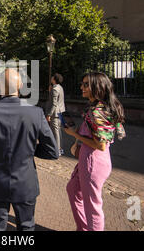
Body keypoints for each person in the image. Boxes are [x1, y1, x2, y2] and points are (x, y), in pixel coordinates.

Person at [0, 68, 59, 231]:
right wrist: (29, 150)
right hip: (25, 181)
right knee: (26, 227)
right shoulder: (35, 113)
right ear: (21, 85)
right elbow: (52, 151)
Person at [64, 72, 126, 231]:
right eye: (82, 83)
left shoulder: (98, 111)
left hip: (93, 162)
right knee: (72, 189)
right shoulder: (96, 107)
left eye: (86, 84)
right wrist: (79, 130)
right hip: (88, 159)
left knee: (92, 207)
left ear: (96, 87)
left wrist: (74, 135)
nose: (81, 87)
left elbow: (101, 145)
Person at [45, 73, 66, 156]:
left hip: (55, 113)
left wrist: (49, 114)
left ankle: (57, 150)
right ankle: (59, 149)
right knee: (58, 131)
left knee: (55, 132)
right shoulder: (59, 87)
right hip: (60, 112)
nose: (51, 78)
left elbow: (53, 103)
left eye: (52, 77)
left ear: (54, 79)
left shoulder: (55, 89)